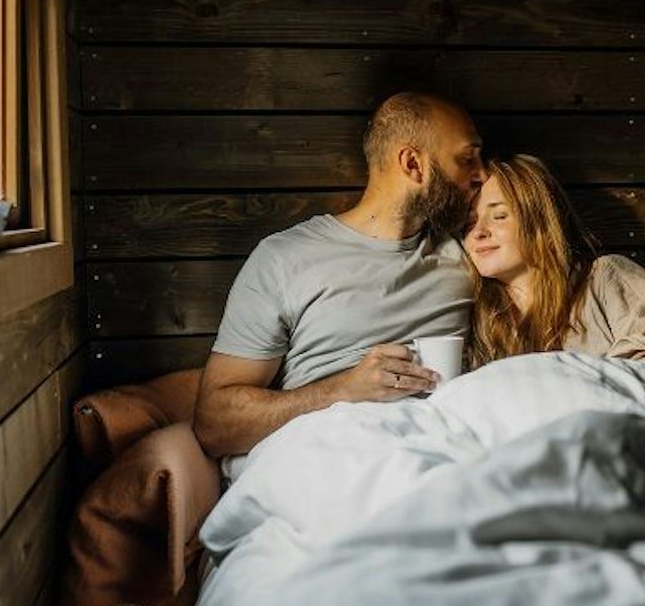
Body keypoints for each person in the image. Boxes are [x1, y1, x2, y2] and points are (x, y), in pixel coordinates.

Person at [192, 92, 485, 458]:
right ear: (413, 165)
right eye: (467, 159)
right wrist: (341, 389)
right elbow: (214, 425)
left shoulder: (469, 256)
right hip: (326, 456)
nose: (482, 174)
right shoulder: (285, 259)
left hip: (442, 455)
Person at [465, 154, 645, 367]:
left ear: (540, 223)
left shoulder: (604, 278)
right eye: (468, 222)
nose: (479, 231)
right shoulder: (474, 313)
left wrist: (603, 377)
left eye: (499, 216)